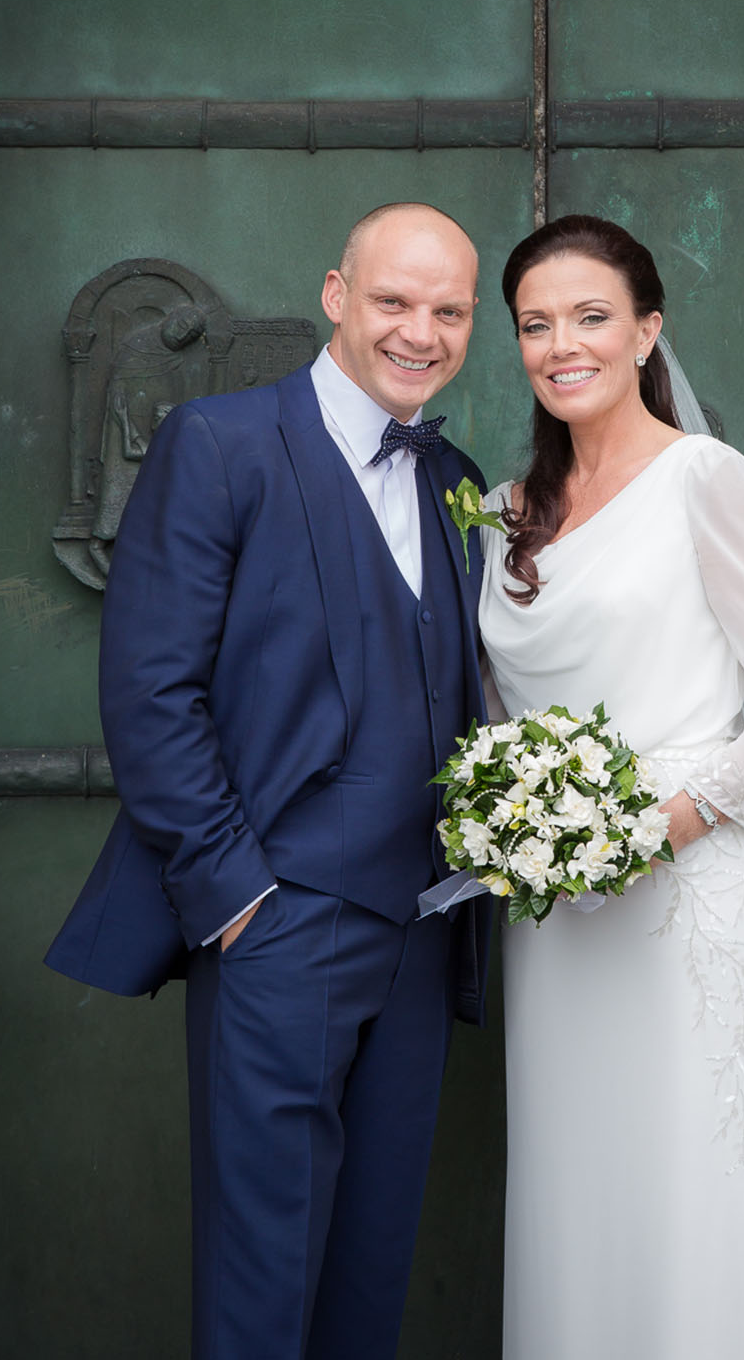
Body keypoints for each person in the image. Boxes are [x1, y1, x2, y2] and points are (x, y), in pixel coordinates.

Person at [46, 203, 493, 1360]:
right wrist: (238, 894)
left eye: (448, 311)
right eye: (394, 301)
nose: (420, 331)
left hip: (421, 927)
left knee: (371, 1264)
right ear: (338, 295)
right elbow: (152, 691)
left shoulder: (458, 476)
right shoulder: (220, 443)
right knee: (262, 1272)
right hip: (278, 919)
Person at [478, 214, 744, 1359]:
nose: (563, 345)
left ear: (649, 330)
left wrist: (661, 827)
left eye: (592, 317)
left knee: (698, 1169)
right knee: (579, 1172)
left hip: (687, 888)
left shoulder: (705, 476)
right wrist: (521, 821)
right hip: (554, 907)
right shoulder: (504, 516)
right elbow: (497, 709)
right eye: (536, 324)